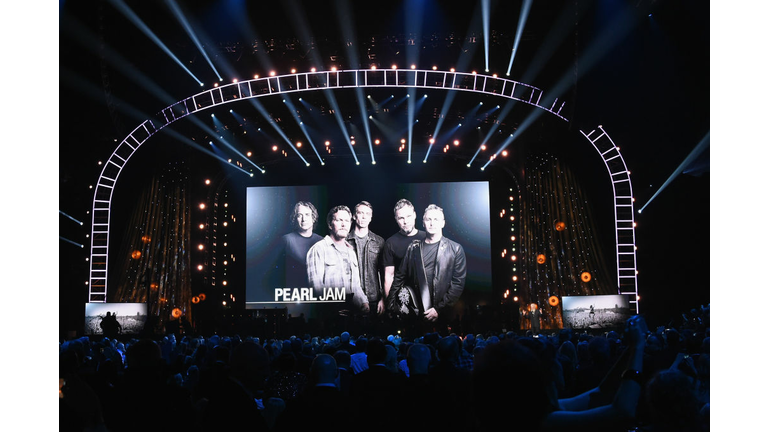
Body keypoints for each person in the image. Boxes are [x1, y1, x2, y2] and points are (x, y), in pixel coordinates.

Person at [389, 204, 467, 328]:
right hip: (416, 313)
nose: (432, 223)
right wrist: (391, 305)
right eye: (428, 219)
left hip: (443, 315)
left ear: (443, 223)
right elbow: (399, 277)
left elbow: (457, 284)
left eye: (436, 219)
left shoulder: (456, 249)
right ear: (423, 223)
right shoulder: (413, 248)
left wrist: (438, 309)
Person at [306, 205, 369, 314]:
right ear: (330, 224)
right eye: (339, 220)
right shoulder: (319, 249)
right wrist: (334, 308)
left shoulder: (351, 252)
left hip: (353, 314)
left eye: (347, 221)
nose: (344, 224)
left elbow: (356, 285)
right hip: (330, 316)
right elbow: (316, 288)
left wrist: (364, 302)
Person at [382, 199, 427, 310]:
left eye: (408, 216)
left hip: (426, 297)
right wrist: (390, 306)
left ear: (415, 215)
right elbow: (389, 276)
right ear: (396, 219)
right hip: (403, 298)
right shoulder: (390, 243)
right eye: (401, 218)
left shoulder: (427, 238)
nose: (405, 221)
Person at [346, 201, 386, 315]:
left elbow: (384, 274)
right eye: (360, 213)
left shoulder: (379, 242)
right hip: (351, 300)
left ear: (371, 217)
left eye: (367, 214)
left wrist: (383, 299)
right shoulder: (344, 241)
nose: (364, 217)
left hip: (374, 300)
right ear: (354, 216)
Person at [280, 201, 323, 289]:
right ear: (295, 218)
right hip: (293, 295)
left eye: (307, 214)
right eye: (300, 215)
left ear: (313, 218)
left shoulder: (321, 241)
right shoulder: (286, 240)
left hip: (317, 294)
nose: (304, 219)